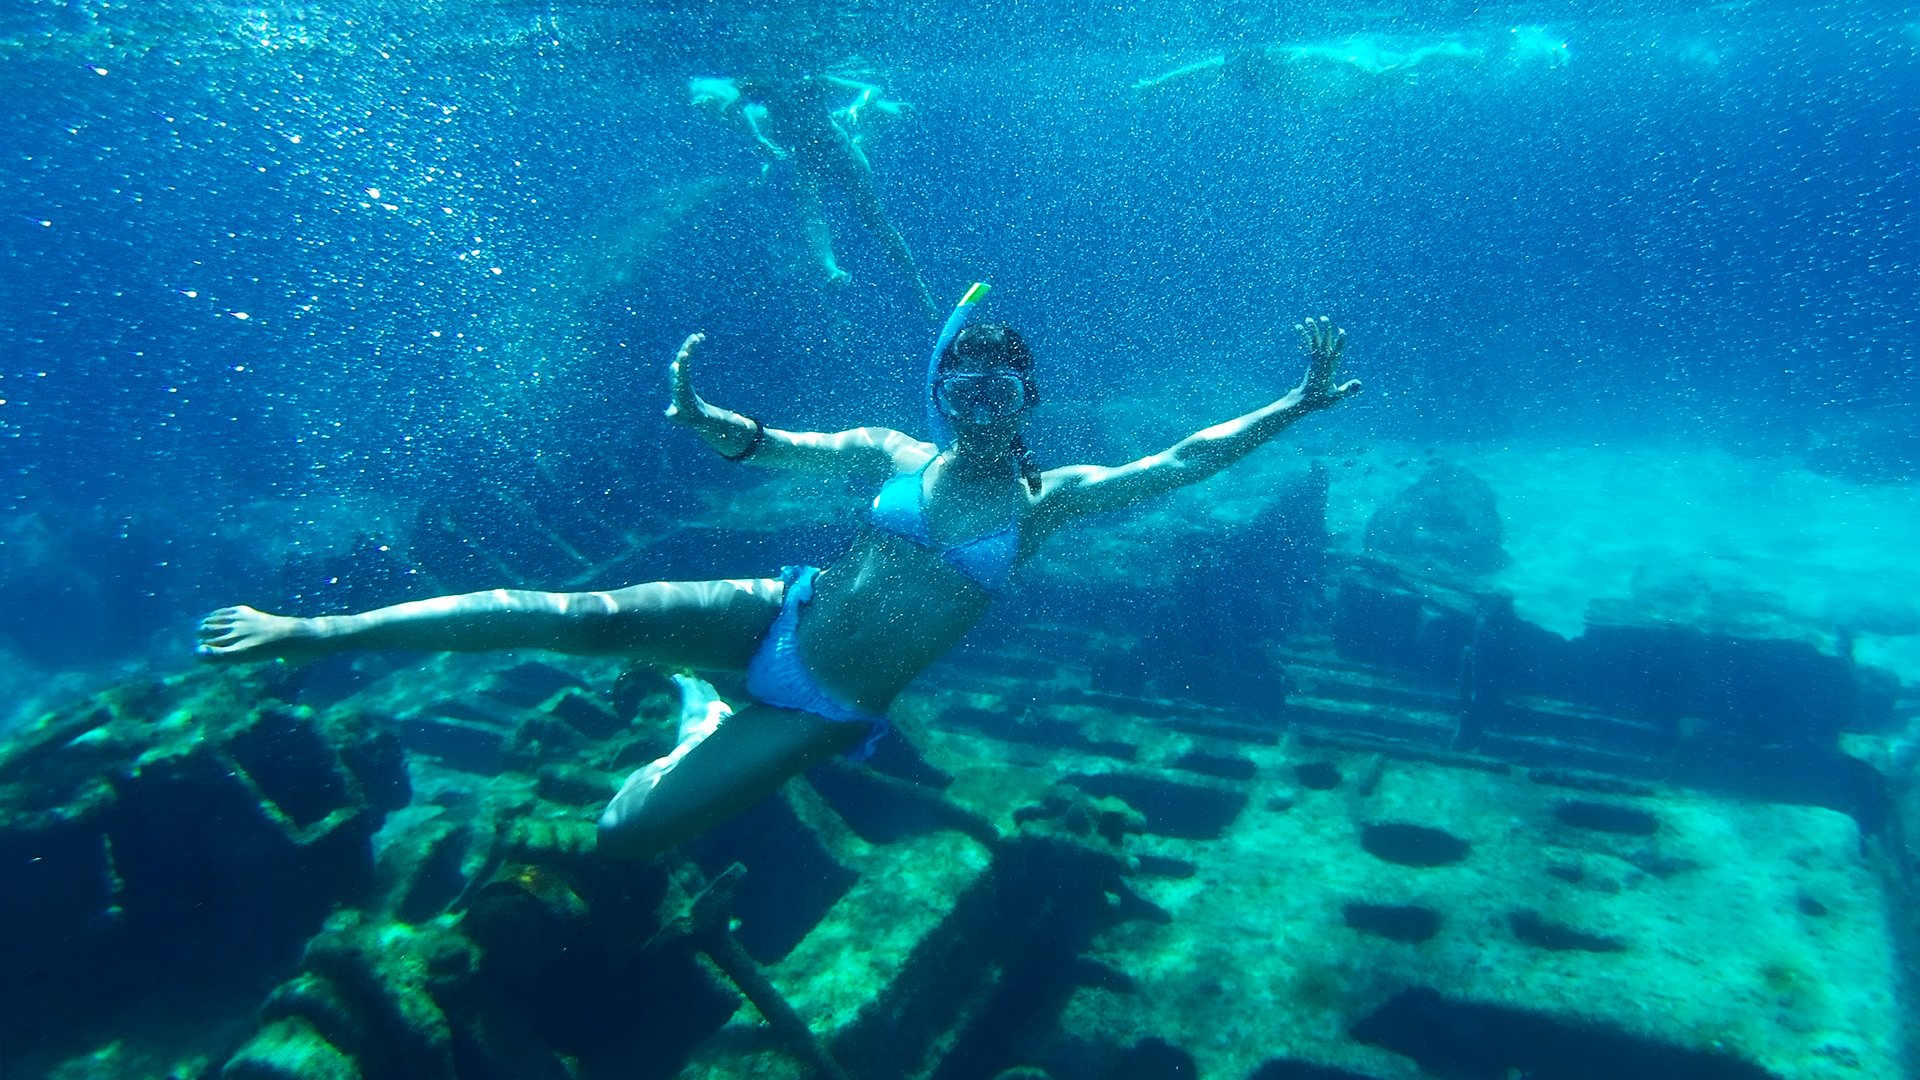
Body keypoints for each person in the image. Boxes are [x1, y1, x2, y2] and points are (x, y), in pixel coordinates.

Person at [196, 289, 1361, 860]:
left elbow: (1184, 460)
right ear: (940, 397)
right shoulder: (890, 453)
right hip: (777, 611)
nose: (980, 406)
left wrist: (1295, 407)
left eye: (1002, 390)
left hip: (823, 708)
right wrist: (711, 422)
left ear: (1031, 401)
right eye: (962, 388)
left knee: (621, 835)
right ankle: (316, 632)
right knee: (566, 616)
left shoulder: (1048, 506)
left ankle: (696, 713)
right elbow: (775, 443)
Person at [689, 71, 939, 321]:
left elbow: (871, 88)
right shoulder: (760, 88)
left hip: (842, 153)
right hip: (808, 163)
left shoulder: (813, 82)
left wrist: (860, 105)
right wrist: (756, 138)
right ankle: (831, 269)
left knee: (876, 221)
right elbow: (731, 109)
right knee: (811, 212)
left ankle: (918, 286)